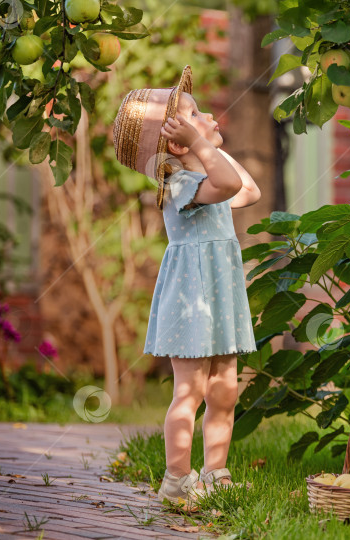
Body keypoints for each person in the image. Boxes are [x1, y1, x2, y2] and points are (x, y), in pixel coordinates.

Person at [111, 65, 261, 510]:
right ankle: (177, 479)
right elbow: (230, 184)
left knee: (224, 390)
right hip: (193, 300)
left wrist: (205, 143)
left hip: (219, 297)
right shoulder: (182, 185)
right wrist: (200, 146)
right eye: (196, 114)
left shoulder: (202, 176)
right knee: (190, 392)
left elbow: (248, 191)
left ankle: (216, 473)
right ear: (176, 144)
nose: (210, 116)